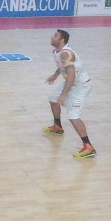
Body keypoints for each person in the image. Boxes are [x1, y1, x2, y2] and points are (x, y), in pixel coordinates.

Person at [43, 30, 96, 158]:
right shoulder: (57, 52)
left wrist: (64, 94)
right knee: (52, 99)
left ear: (62, 40)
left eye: (55, 36)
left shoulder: (66, 54)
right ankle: (57, 126)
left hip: (81, 86)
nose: (52, 37)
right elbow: (62, 66)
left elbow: (71, 75)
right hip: (71, 83)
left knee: (73, 116)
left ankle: (88, 146)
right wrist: (55, 75)